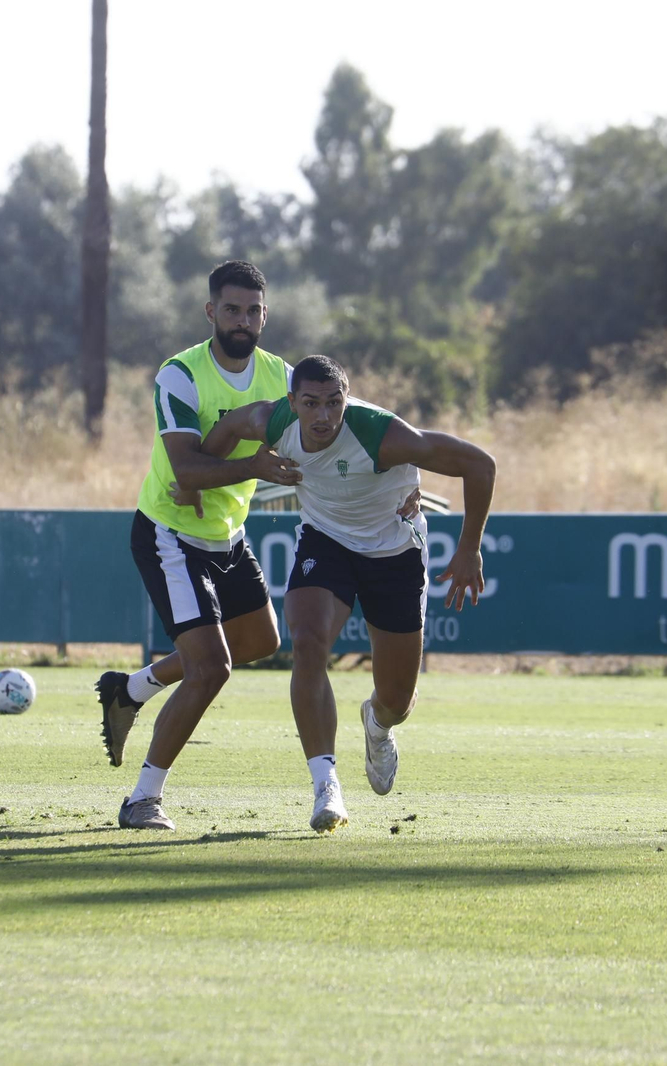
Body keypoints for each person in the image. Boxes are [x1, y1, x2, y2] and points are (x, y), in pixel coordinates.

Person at [186, 354, 495, 832]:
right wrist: (202, 480)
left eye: (334, 403)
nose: (324, 416)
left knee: (397, 699)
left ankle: (378, 723)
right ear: (292, 402)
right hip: (325, 542)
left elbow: (479, 464)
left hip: (393, 550)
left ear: (347, 400)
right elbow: (230, 430)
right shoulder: (272, 420)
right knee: (307, 643)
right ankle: (325, 783)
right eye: (311, 403)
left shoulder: (383, 435)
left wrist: (469, 548)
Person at [96, 260, 302, 831]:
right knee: (212, 669)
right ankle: (142, 799)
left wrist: (393, 486)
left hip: (227, 536)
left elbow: (327, 431)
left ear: (266, 314)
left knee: (260, 639)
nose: (243, 320)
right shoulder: (179, 374)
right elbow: (186, 471)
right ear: (211, 311)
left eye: (253, 310)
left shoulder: (281, 378)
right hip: (170, 533)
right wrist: (255, 465)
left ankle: (131, 689)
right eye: (231, 309)